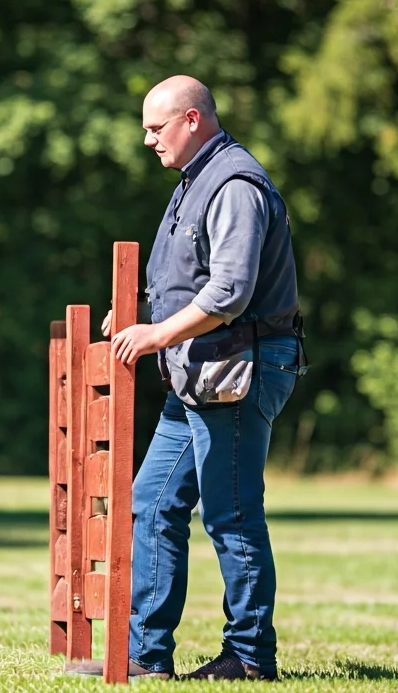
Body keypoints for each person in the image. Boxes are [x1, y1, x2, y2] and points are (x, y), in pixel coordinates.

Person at [104, 74, 307, 681]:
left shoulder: (235, 184)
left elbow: (230, 291)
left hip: (239, 369)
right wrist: (144, 315)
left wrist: (155, 336)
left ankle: (249, 658)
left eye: (156, 127)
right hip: (201, 371)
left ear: (193, 120)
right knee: (154, 502)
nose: (147, 140)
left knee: (231, 514)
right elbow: (189, 281)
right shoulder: (194, 180)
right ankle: (146, 657)